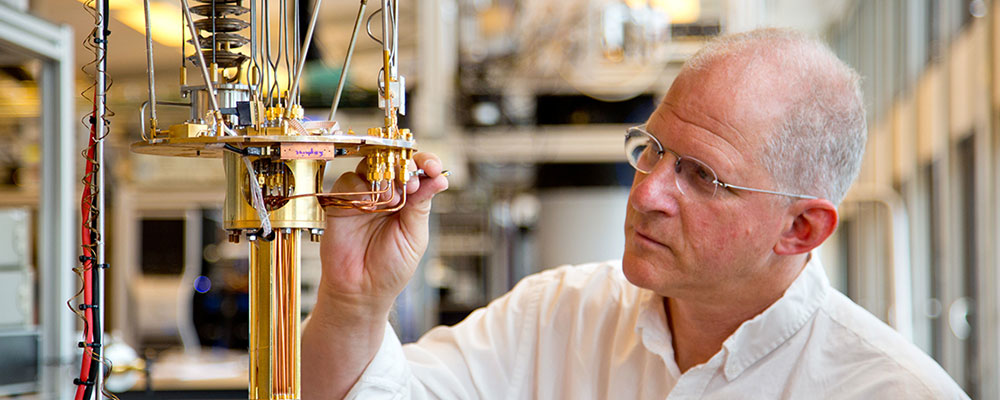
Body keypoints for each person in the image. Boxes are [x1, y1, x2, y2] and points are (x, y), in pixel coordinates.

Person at [302, 28, 968, 399]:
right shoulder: (555, 317)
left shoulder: (888, 391)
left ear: (800, 229)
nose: (647, 192)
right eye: (652, 150)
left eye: (702, 176)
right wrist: (354, 302)